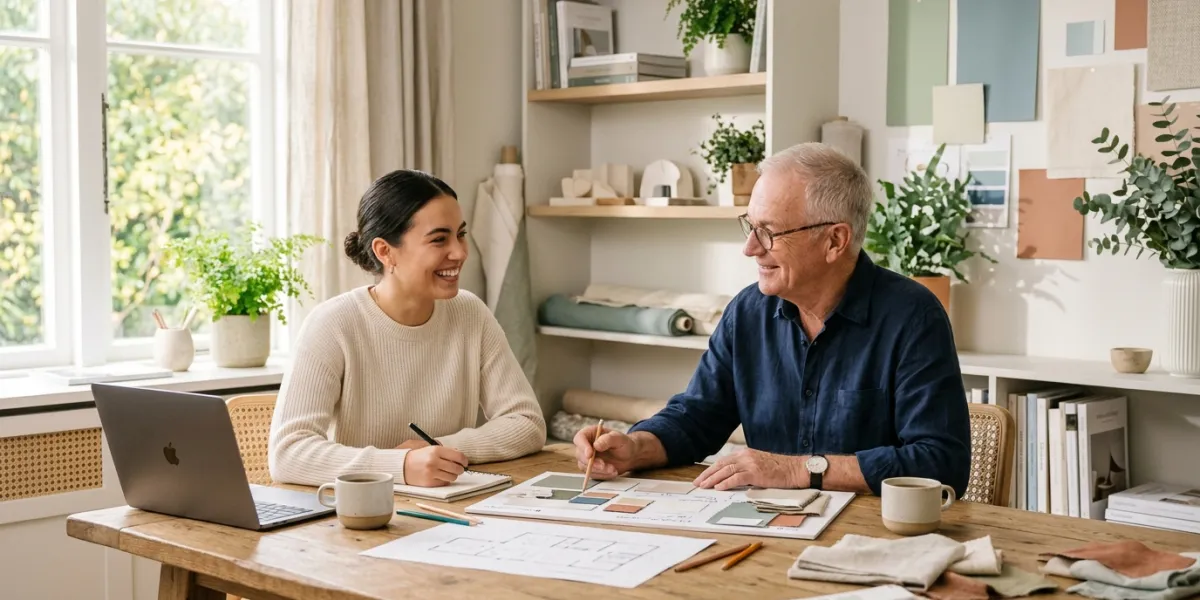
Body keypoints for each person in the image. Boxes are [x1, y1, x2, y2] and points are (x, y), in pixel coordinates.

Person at [572, 142, 972, 498]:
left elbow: (939, 462)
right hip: (769, 528)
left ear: (835, 240)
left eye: (768, 232)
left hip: (874, 537)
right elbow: (698, 416)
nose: (750, 248)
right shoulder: (748, 312)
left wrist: (795, 470)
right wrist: (636, 446)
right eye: (750, 226)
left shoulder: (914, 316)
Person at [269, 169, 546, 488]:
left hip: (451, 509)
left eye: (461, 234)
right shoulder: (332, 324)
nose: (459, 252)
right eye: (439, 239)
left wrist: (440, 450)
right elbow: (288, 454)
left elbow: (527, 423)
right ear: (385, 251)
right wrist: (400, 466)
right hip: (358, 517)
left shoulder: (471, 314)